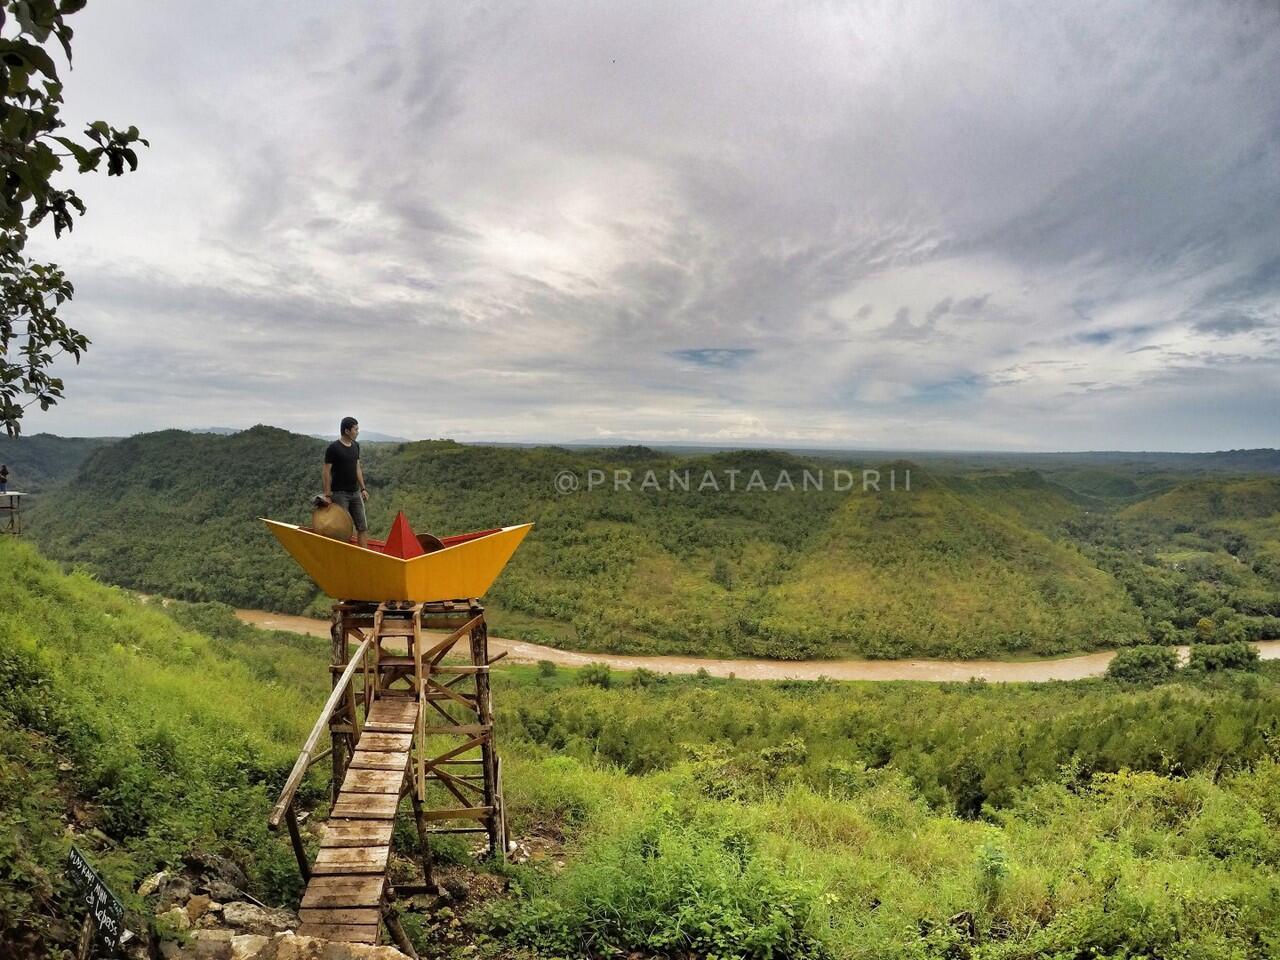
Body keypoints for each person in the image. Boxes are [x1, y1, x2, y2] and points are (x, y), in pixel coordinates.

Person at [322, 417, 369, 548]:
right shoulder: (333, 448)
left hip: (355, 493)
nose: (358, 432)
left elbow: (357, 468)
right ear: (347, 431)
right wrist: (327, 494)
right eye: (356, 429)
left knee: (362, 527)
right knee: (343, 529)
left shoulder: (356, 446)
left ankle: (364, 556)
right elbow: (326, 472)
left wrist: (363, 488)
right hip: (339, 494)